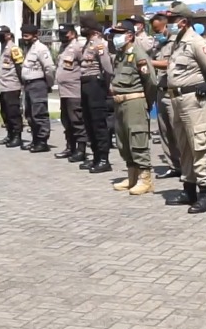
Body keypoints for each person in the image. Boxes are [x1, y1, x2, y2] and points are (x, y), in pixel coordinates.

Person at [164, 5, 206, 211]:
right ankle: (188, 190)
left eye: (172, 20)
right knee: (185, 146)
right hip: (178, 99)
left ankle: (205, 194)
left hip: (195, 100)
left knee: (200, 145)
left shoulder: (197, 43)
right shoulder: (178, 43)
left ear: (183, 21)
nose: (168, 24)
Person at [108, 18, 158, 195]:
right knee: (124, 141)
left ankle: (145, 179)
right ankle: (132, 176)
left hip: (134, 102)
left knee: (138, 139)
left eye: (118, 35)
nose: (114, 38)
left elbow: (151, 82)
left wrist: (145, 102)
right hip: (120, 103)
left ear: (129, 36)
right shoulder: (121, 54)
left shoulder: (139, 54)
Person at [78, 17, 114, 173]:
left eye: (84, 27)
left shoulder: (99, 44)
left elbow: (107, 67)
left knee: (98, 123)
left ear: (92, 30)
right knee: (89, 123)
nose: (82, 30)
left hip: (95, 85)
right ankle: (96, 157)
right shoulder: (88, 44)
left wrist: (106, 87)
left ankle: (104, 159)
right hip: (85, 84)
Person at [149, 10, 182, 179]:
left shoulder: (177, 42)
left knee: (178, 130)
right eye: (154, 30)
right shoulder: (159, 45)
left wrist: (150, 62)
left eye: (158, 29)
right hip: (160, 91)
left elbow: (170, 64)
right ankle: (173, 165)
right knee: (165, 131)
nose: (157, 33)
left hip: (173, 92)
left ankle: (185, 165)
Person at [20, 24, 56, 153]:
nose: (25, 38)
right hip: (28, 85)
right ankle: (35, 140)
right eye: (23, 35)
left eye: (27, 36)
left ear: (35, 36)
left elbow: (49, 68)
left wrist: (48, 84)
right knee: (29, 114)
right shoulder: (28, 49)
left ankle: (42, 141)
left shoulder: (41, 48)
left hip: (38, 84)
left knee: (39, 113)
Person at [54, 23, 87, 163]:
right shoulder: (63, 47)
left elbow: (85, 66)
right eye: (60, 34)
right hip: (64, 92)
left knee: (77, 121)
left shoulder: (78, 47)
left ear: (73, 33)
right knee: (66, 121)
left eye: (65, 33)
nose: (62, 36)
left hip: (74, 91)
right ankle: (70, 147)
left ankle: (81, 150)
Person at [0, 26, 26, 148]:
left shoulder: (14, 48)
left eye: (0, 34)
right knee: (5, 112)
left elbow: (19, 67)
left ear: (8, 35)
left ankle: (17, 136)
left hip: (13, 86)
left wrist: (22, 84)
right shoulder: (3, 48)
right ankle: (10, 134)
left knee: (13, 112)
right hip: (4, 86)